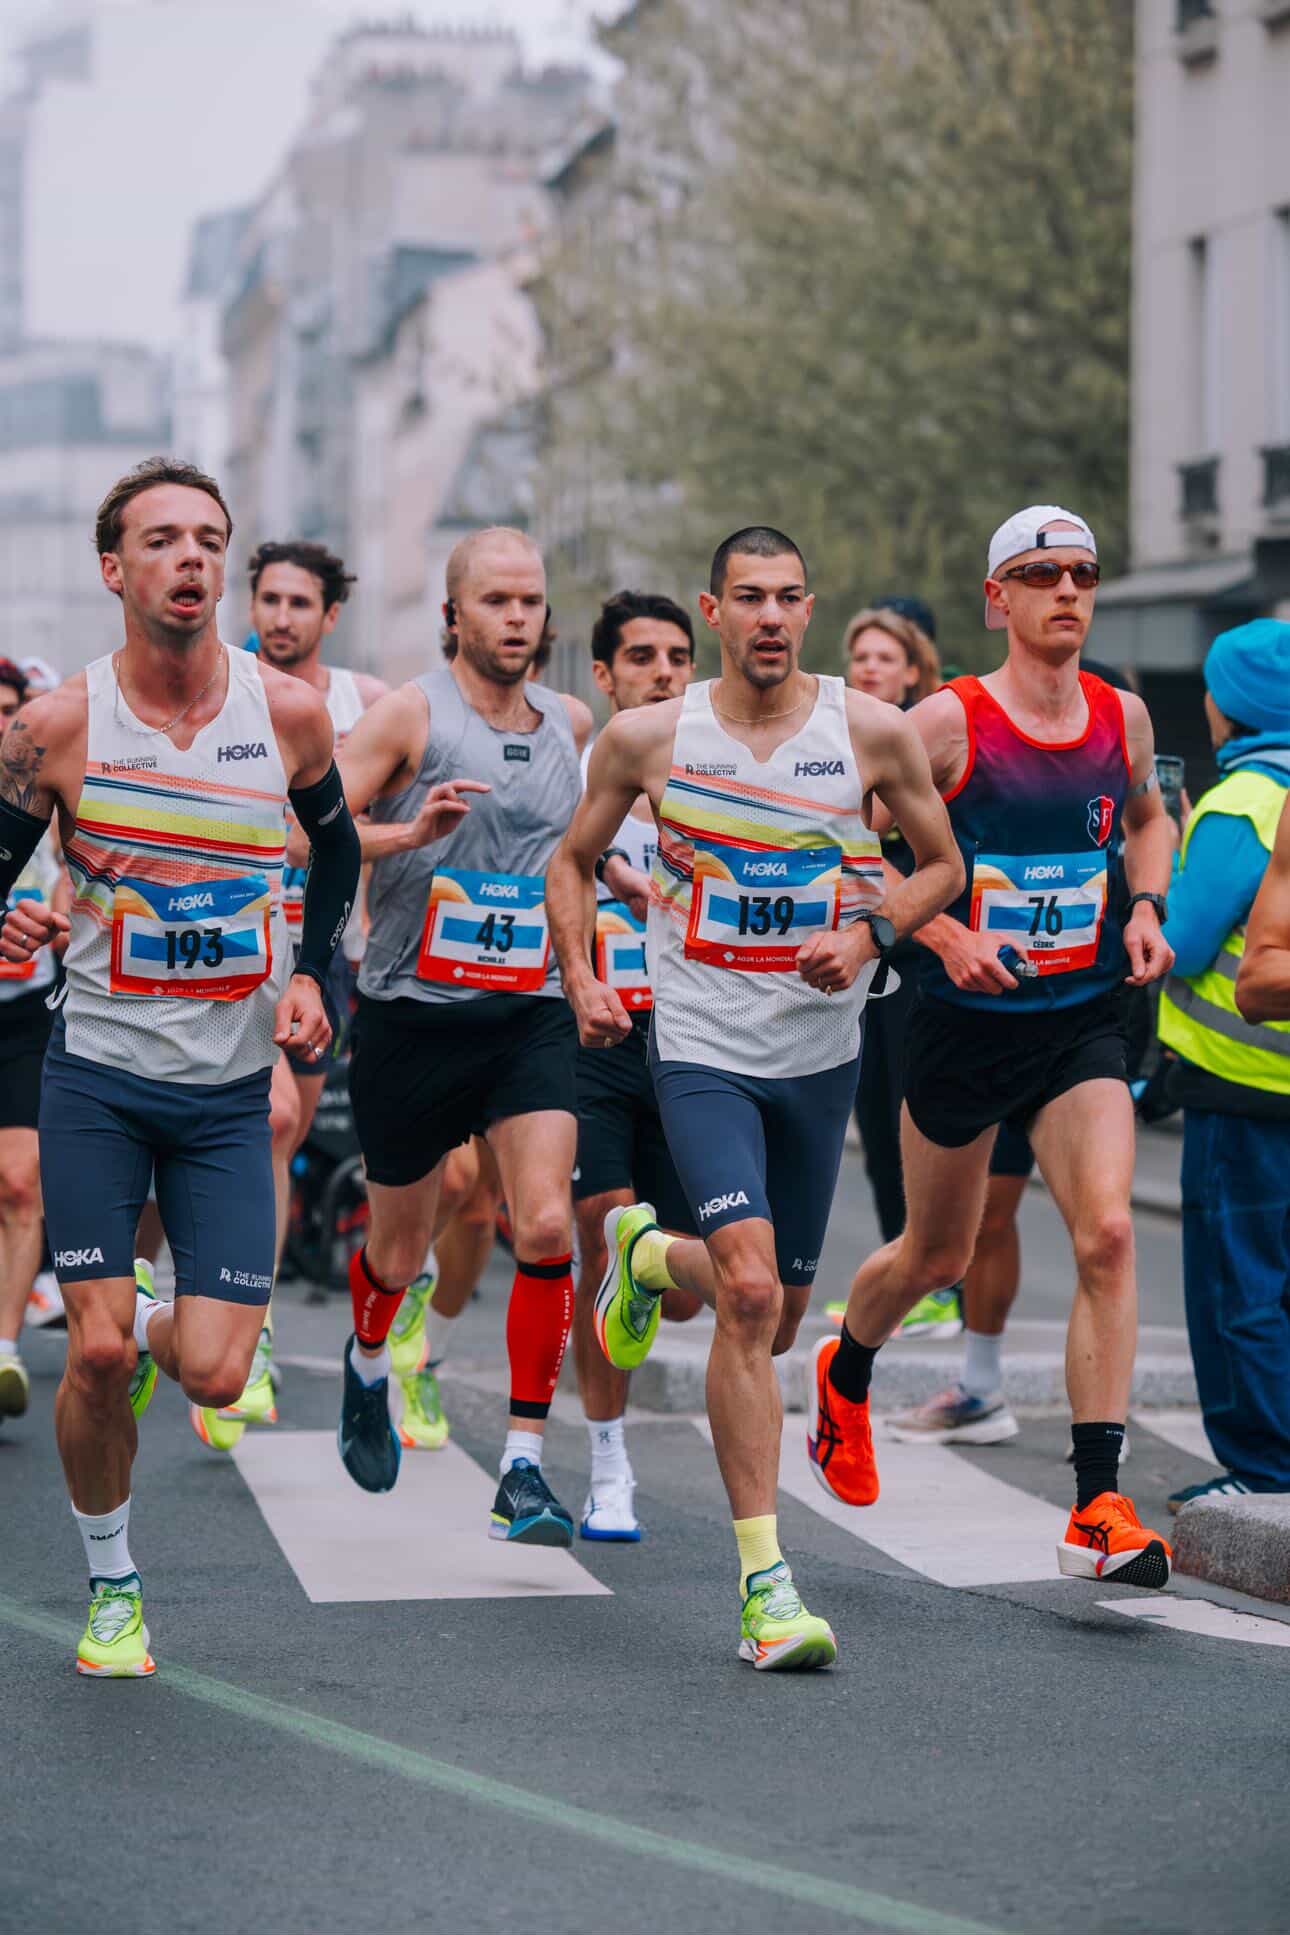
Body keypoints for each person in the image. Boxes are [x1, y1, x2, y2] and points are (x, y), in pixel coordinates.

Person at [547, 526, 962, 1669]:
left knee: (775, 1314)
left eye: (787, 598)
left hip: (821, 1058)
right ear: (712, 612)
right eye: (748, 599)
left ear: (808, 610)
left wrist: (872, 928)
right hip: (702, 1052)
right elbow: (572, 861)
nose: (770, 617)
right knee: (741, 1292)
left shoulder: (868, 732)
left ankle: (642, 1258)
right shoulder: (646, 739)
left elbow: (944, 866)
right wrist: (583, 976)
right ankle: (767, 1586)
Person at [0, 456, 359, 1676]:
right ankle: (113, 1587)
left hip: (220, 1096)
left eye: (209, 537)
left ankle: (147, 1311)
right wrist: (12, 920)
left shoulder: (289, 716)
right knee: (95, 1357)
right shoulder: (57, 729)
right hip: (96, 1077)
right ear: (115, 570)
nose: (192, 558)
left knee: (210, 1373)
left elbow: (339, 856)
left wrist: (308, 973)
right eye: (161, 540)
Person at [808, 505, 1177, 1591]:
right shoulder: (944, 723)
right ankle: (849, 1364)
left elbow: (1149, 817)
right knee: (937, 1257)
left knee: (1108, 1233)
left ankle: (1097, 1505)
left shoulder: (1123, 716)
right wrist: (946, 930)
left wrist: (1145, 905)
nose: (1066, 590)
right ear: (996, 597)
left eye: (1082, 572)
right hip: (958, 1023)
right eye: (1040, 573)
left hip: (1078, 1019)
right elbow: (846, 841)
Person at [333, 525, 593, 1547]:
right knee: (401, 1251)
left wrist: (612, 892)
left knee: (540, 1227)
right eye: (496, 602)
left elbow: (581, 851)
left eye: (529, 602)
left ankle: (522, 1468)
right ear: (455, 615)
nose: (517, 618)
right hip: (410, 1016)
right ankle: (366, 1366)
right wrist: (408, 833)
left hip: (527, 1016)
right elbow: (306, 828)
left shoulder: (572, 723)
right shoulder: (410, 715)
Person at [197, 540, 388, 1444]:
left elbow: (351, 834)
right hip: (227, 948)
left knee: (285, 1131)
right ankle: (248, 1326)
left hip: (325, 953)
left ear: (329, 615)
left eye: (298, 603)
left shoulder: (369, 705)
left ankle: (235, 1305)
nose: (279, 617)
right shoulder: (220, 688)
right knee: (267, 1124)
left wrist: (397, 836)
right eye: (267, 599)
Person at [568, 589, 704, 1540]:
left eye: (678, 656)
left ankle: (644, 1265)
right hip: (599, 1038)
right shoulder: (584, 773)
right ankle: (607, 1464)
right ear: (605, 675)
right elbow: (555, 871)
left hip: (696, 1043)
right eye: (643, 657)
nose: (664, 671)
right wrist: (580, 975)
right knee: (593, 1232)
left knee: (697, 1291)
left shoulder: (717, 772)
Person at [1152, 619, 1290, 1507]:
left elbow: (1185, 940)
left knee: (1238, 1281)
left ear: (1228, 704)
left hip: (1239, 1084)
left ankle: (1262, 1464)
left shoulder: (1242, 802)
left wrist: (1161, 858)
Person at [836, 604, 962, 1340]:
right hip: (861, 968)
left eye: (886, 657)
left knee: (923, 1122)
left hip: (920, 962)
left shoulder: (932, 744)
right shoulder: (837, 740)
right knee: (876, 1125)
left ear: (915, 669)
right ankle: (898, 1271)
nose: (872, 669)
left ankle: (938, 1284)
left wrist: (941, 937)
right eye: (861, 658)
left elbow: (912, 858)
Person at [0, 658, 70, 1423]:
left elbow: (66, 874)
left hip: (22, 1013)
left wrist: (60, 913)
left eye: (11, 709)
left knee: (22, 1181)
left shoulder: (42, 788)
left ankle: (5, 1347)